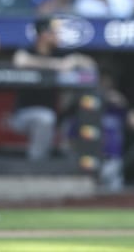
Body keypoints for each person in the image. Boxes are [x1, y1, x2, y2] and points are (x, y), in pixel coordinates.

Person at [11, 17, 97, 161]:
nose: (58, 36)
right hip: (23, 115)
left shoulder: (61, 53)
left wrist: (75, 60)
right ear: (43, 35)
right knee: (45, 117)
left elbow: (90, 65)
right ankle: (36, 162)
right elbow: (19, 61)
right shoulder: (27, 51)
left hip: (56, 115)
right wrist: (57, 65)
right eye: (54, 32)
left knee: (71, 112)